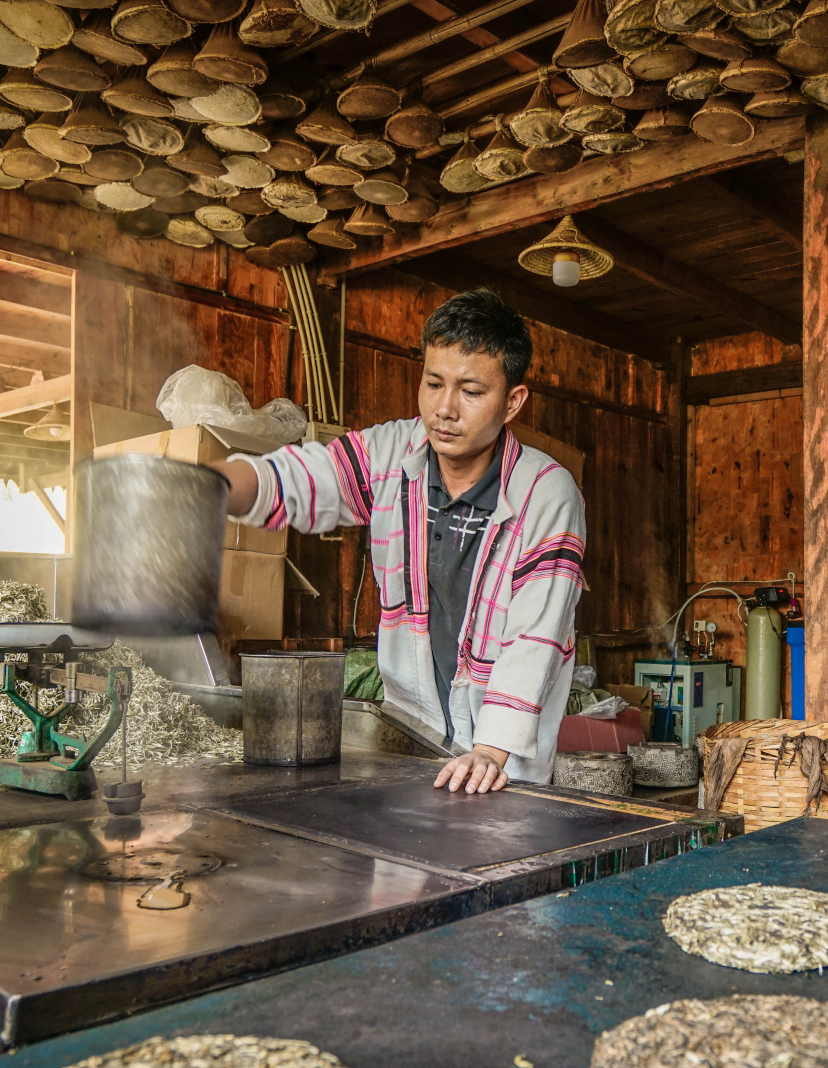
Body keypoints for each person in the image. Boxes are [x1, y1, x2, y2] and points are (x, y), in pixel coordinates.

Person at [216, 289, 585, 795]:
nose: (445, 409)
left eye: (472, 392)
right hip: (411, 737)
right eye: (433, 383)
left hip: (502, 760)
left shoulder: (547, 493)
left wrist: (490, 750)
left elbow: (535, 637)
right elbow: (307, 477)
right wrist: (209, 487)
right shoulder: (394, 454)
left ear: (512, 401)